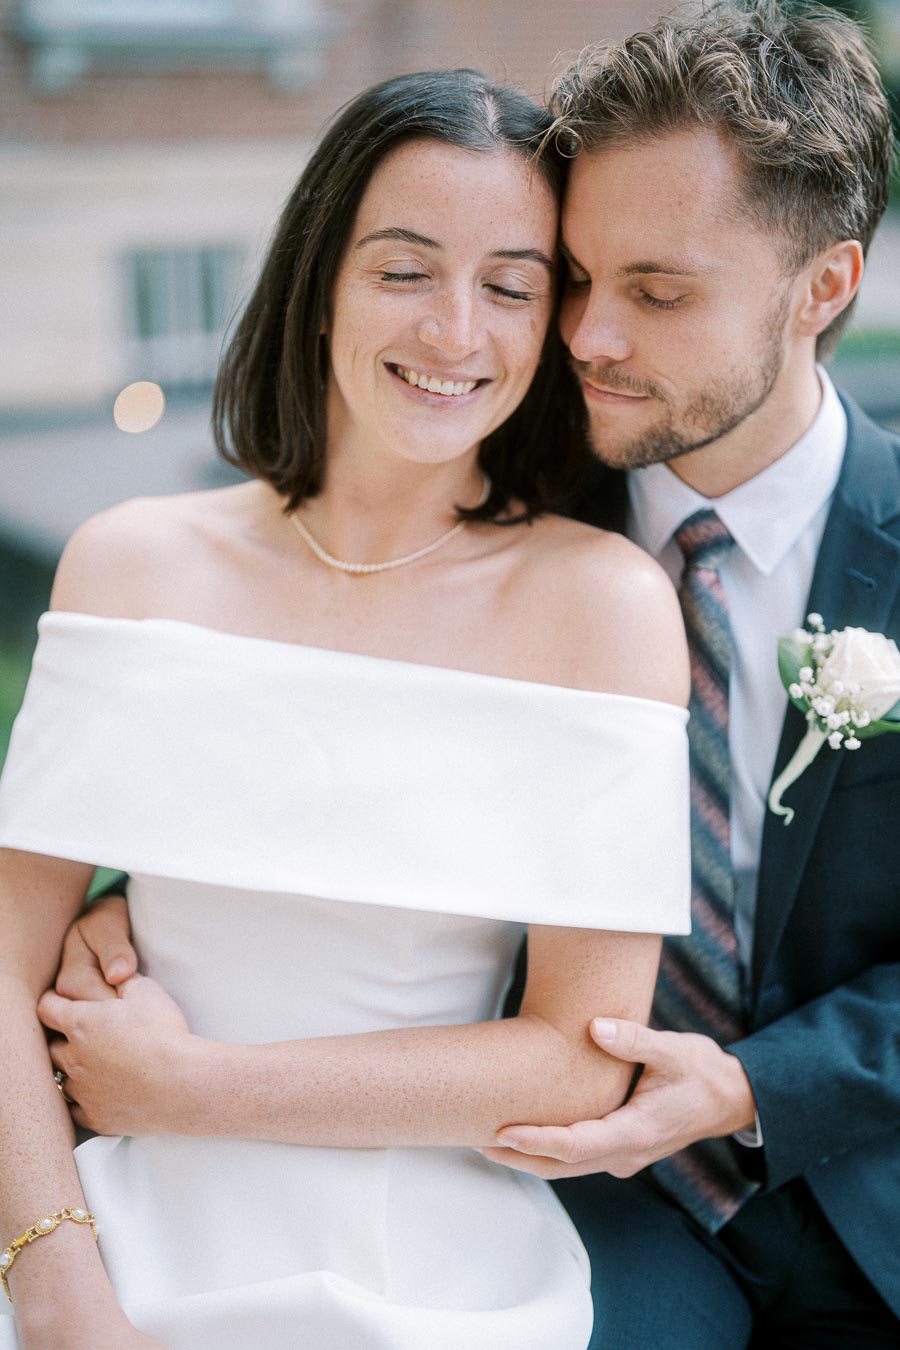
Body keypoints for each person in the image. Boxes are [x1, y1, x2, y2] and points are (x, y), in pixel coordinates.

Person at [0, 70, 692, 1349]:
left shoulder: (600, 605)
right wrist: (58, 1291)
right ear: (319, 279)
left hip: (433, 1262)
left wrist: (196, 1089)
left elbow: (581, 1056)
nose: (453, 335)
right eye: (403, 270)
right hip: (114, 1231)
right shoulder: (135, 563)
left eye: (510, 285)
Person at [476, 2, 900, 1345]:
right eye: (579, 278)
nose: (590, 337)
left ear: (822, 287)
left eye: (658, 292)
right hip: (588, 1211)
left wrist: (748, 1084)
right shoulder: (494, 519)